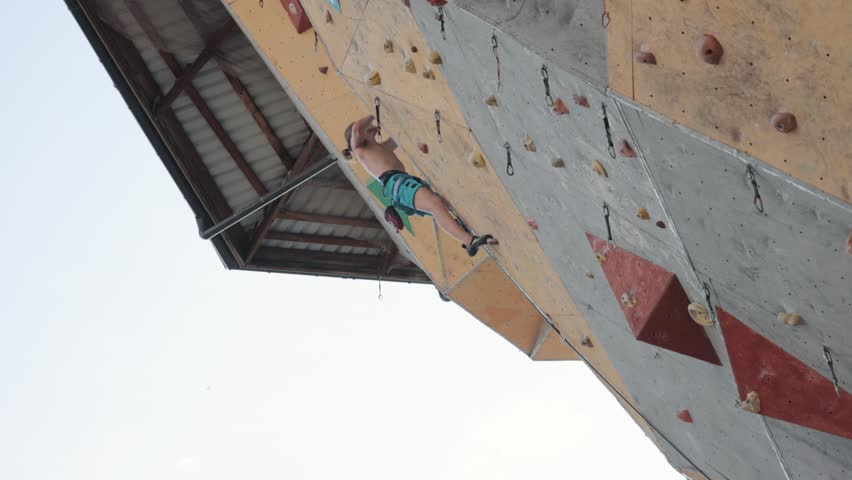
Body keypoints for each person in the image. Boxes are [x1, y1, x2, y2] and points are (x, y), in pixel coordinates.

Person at [342, 115, 496, 257]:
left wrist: (418, 143)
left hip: (402, 183)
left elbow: (400, 138)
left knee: (441, 204)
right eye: (368, 127)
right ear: (362, 134)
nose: (372, 125)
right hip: (397, 184)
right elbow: (357, 128)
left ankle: (462, 232)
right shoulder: (360, 149)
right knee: (435, 204)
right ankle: (469, 240)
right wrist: (373, 111)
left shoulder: (380, 147)